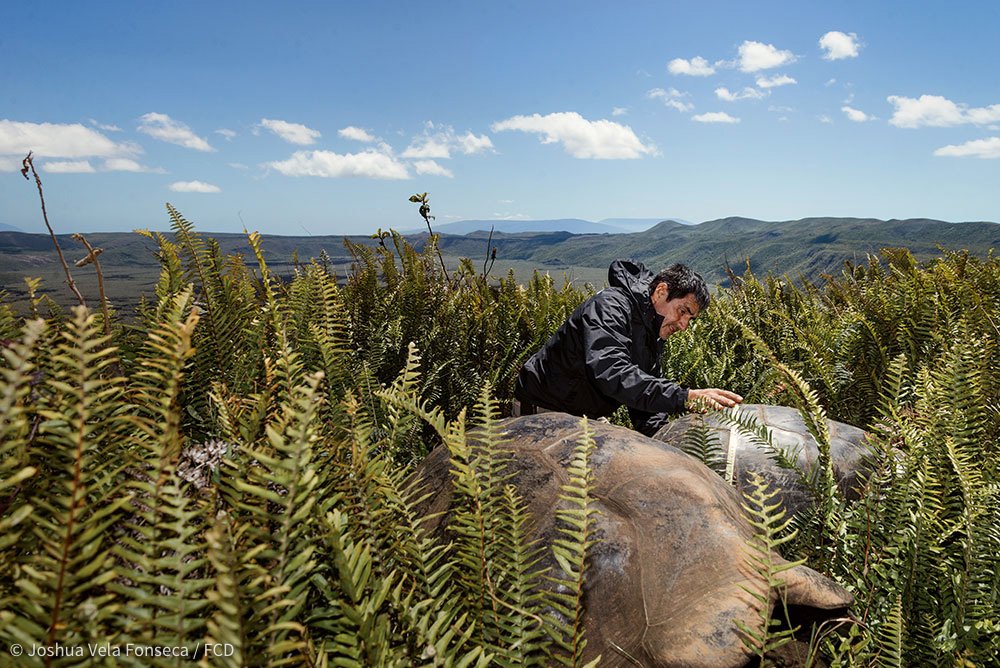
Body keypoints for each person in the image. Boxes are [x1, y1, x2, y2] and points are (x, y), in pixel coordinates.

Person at [514, 259, 743, 436]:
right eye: (682, 311)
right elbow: (611, 371)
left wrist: (666, 441)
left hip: (586, 417)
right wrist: (684, 397)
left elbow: (645, 405)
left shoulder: (653, 331)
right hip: (544, 411)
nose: (683, 325)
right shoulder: (610, 306)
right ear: (661, 291)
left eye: (690, 319)